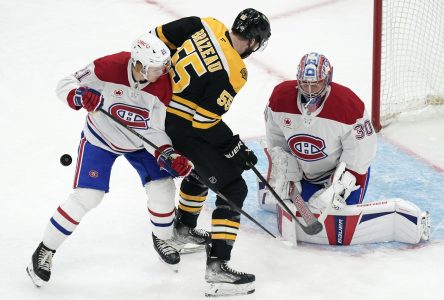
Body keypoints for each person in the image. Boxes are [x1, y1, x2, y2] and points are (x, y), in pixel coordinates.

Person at [26, 34, 194, 287]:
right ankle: (44, 250)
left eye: (164, 67)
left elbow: (155, 130)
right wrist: (79, 95)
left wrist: (167, 154)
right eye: (157, 68)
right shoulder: (107, 67)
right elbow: (65, 83)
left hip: (140, 144)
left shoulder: (162, 85)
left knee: (163, 187)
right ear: (139, 65)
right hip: (100, 138)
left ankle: (162, 238)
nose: (163, 72)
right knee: (87, 196)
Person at [150, 8, 271, 297]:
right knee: (233, 186)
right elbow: (203, 122)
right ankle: (218, 268)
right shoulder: (236, 71)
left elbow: (156, 40)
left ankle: (183, 230)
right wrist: (232, 146)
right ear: (254, 42)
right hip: (178, 129)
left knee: (206, 167)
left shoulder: (204, 24)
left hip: (152, 111)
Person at [259, 52, 430, 246]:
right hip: (303, 171)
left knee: (337, 219)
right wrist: (287, 173)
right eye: (304, 84)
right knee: (296, 207)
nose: (309, 91)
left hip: (341, 173)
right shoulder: (280, 98)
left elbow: (361, 151)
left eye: (315, 84)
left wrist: (338, 187)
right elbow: (277, 141)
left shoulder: (349, 106)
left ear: (328, 80)